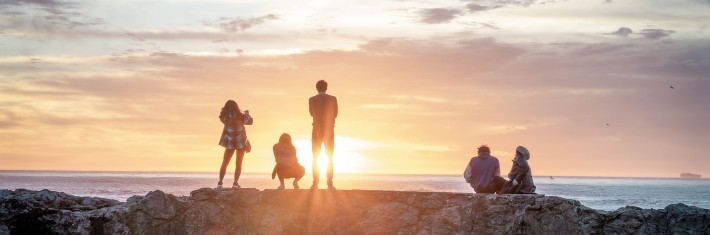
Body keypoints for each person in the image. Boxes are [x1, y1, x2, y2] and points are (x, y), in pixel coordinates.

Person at [217, 100, 253, 189]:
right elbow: (250, 122)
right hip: (240, 142)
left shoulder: (224, 117)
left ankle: (220, 183)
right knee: (238, 163)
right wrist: (247, 114)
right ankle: (235, 183)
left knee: (225, 163)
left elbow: (221, 114)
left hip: (229, 143)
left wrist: (223, 110)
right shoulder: (241, 117)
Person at [309, 80, 338, 190]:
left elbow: (311, 113)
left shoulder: (311, 100)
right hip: (329, 130)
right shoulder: (333, 99)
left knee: (315, 157)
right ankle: (330, 184)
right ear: (326, 88)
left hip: (316, 129)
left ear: (317, 88)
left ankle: (315, 183)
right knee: (329, 157)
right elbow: (335, 114)